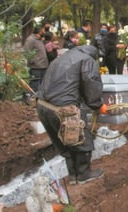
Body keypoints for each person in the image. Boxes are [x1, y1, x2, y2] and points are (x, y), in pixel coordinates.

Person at [36, 45, 104, 185]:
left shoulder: (60, 59)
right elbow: (91, 84)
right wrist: (97, 105)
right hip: (63, 109)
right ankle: (84, 174)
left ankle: (73, 175)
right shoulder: (87, 60)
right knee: (81, 139)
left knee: (65, 142)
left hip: (43, 106)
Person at [23, 26, 49, 95]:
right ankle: (32, 99)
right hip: (36, 67)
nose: (45, 32)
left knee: (42, 84)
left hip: (43, 65)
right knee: (34, 84)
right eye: (43, 31)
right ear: (39, 31)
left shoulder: (39, 40)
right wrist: (32, 62)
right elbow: (26, 52)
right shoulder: (31, 40)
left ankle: (39, 99)